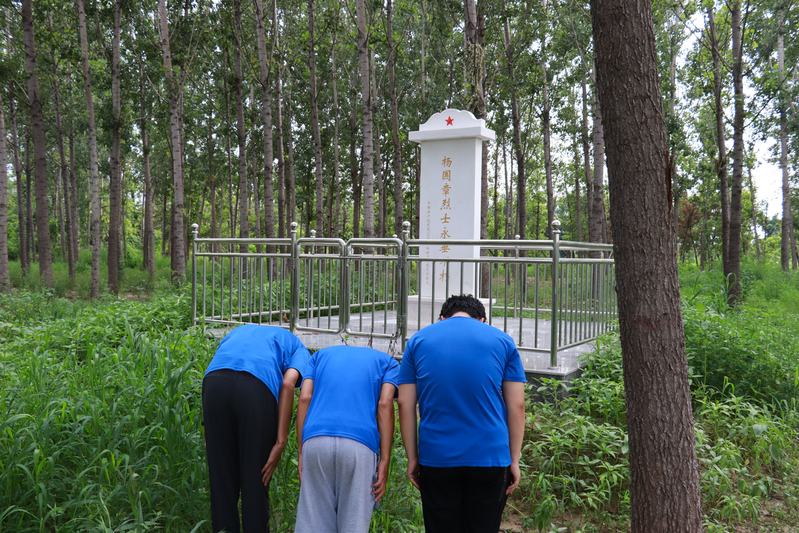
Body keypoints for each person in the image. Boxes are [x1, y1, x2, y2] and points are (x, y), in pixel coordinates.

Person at [397, 294, 526, 533]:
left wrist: (413, 458)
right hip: (490, 457)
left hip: (436, 456)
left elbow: (405, 404)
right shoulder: (502, 341)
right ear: (482, 320)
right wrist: (514, 459)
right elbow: (517, 406)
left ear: (442, 318)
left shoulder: (418, 341)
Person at [202, 323, 310, 533]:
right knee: (256, 480)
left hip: (213, 384)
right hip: (255, 388)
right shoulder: (299, 347)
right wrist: (281, 441)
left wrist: (210, 431)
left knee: (221, 482)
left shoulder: (238, 331)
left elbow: (220, 367)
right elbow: (288, 384)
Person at [294, 345, 399, 533]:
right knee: (353, 525)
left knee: (313, 524)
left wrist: (301, 452)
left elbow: (305, 397)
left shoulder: (318, 356)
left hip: (316, 440)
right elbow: (385, 404)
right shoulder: (388, 363)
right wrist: (385, 460)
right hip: (359, 444)